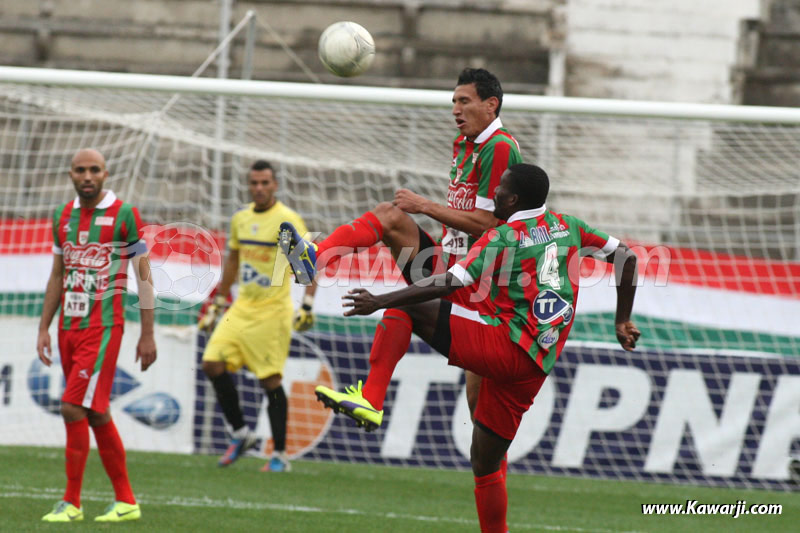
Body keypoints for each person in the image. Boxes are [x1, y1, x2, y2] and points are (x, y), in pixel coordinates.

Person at [311, 163, 641, 532]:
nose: (493, 195)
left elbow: (448, 282)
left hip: (506, 345)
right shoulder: (570, 226)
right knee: (484, 464)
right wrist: (621, 319)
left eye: (499, 189)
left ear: (513, 199)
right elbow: (627, 257)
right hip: (535, 367)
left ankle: (371, 398)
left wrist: (380, 300)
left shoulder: (504, 237)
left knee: (406, 306)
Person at [280, 67, 523, 421]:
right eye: (453, 101)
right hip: (448, 264)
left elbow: (489, 225)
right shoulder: (465, 145)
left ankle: (376, 399)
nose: (455, 109)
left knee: (483, 422)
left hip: (477, 284)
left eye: (464, 101)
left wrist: (424, 205)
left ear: (491, 105)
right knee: (389, 216)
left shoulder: (499, 148)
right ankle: (314, 259)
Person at [36, 148, 157, 523]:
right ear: (70, 174)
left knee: (72, 406)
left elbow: (144, 273)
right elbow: (58, 274)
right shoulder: (61, 216)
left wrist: (147, 334)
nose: (87, 176)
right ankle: (126, 501)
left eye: (94, 170)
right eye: (80, 170)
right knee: (96, 411)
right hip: (68, 328)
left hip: (104, 328)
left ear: (106, 174)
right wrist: (43, 326)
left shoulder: (125, 214)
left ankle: (72, 503)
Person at [198, 160, 316, 472]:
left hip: (272, 312)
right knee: (211, 362)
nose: (259, 188)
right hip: (241, 308)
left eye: (265, 182)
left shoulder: (288, 220)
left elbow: (308, 262)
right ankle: (241, 434)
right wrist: (219, 301)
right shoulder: (241, 218)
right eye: (254, 183)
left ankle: (279, 455)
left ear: (275, 185)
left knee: (270, 380)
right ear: (248, 186)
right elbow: (234, 258)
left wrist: (307, 305)